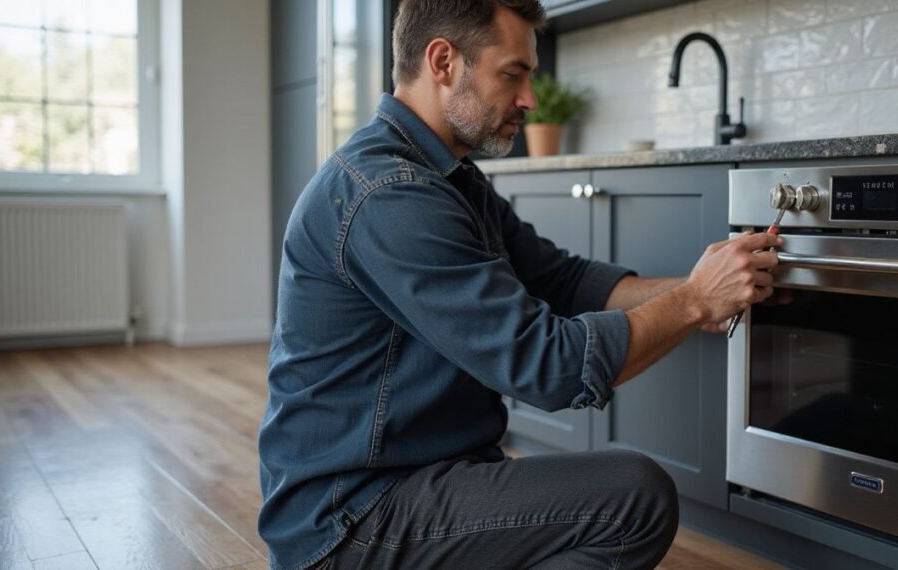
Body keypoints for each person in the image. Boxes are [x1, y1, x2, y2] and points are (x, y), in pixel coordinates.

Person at [257, 1, 781, 568]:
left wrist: (711, 286)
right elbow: (544, 365)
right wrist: (695, 299)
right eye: (513, 73)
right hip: (352, 519)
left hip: (413, 480)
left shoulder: (449, 178)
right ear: (443, 62)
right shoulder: (390, 195)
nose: (529, 98)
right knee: (634, 497)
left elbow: (567, 281)